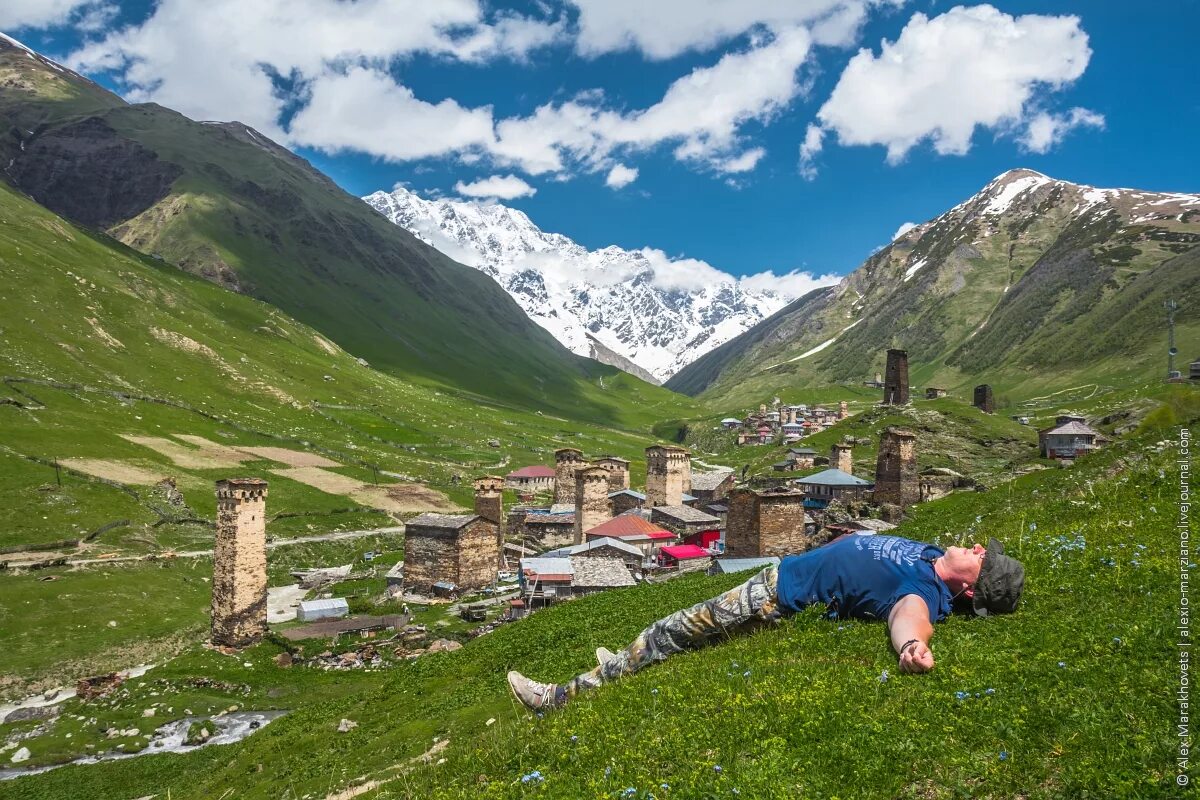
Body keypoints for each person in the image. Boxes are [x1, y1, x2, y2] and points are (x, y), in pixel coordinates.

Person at [508, 533, 1024, 710]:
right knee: (675, 638)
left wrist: (911, 646)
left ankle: (558, 698)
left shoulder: (924, 593)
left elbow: (908, 620)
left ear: (972, 587)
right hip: (780, 576)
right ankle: (628, 661)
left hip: (776, 595)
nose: (978, 547)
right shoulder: (931, 555)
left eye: (983, 558)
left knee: (671, 628)